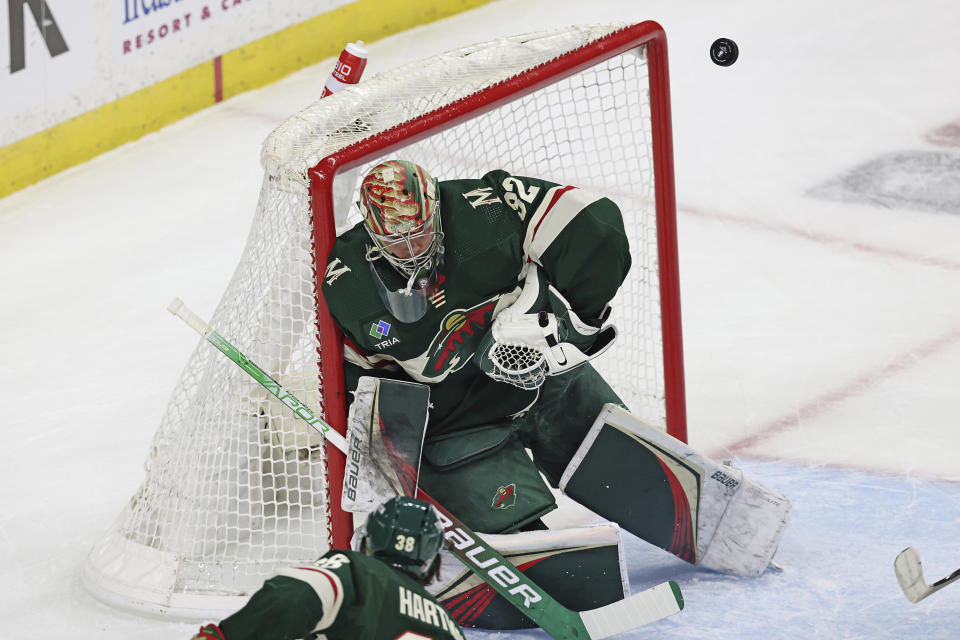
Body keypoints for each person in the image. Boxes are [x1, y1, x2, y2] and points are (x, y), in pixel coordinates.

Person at [321, 160, 791, 577]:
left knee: (631, 469)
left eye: (420, 231)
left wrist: (576, 322)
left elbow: (593, 224)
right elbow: (367, 391)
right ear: (372, 232)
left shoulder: (484, 208)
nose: (411, 248)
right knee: (529, 550)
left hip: (546, 385)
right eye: (395, 240)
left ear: (436, 211)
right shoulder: (350, 284)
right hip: (457, 427)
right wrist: (392, 482)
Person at [190, 496, 462, 640]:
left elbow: (295, 594)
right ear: (430, 559)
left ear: (371, 539)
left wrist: (229, 636)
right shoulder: (448, 625)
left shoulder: (357, 571)